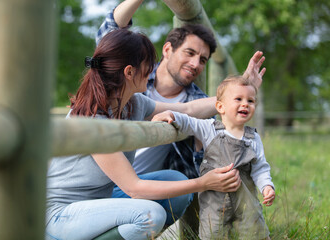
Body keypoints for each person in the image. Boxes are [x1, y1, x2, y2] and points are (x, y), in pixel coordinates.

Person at [45, 28, 242, 240]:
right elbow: (135, 188)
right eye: (148, 64)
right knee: (150, 216)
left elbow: (189, 110)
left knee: (174, 181)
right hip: (60, 213)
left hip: (100, 197)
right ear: (129, 72)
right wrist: (203, 183)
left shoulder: (134, 103)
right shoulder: (92, 120)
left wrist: (236, 96)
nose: (153, 70)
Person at [97, 0, 266, 180]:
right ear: (168, 49)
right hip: (97, 177)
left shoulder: (197, 102)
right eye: (190, 53)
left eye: (202, 60)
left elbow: (202, 152)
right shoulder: (135, 75)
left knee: (176, 185)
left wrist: (241, 92)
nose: (195, 64)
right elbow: (109, 31)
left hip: (145, 185)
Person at [152, 75, 276, 239]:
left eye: (250, 101)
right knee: (213, 233)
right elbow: (190, 122)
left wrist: (266, 186)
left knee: (254, 232)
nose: (245, 104)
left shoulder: (253, 138)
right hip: (214, 201)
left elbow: (260, 167)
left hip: (245, 200)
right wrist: (171, 114)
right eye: (238, 99)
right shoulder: (210, 129)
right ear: (220, 106)